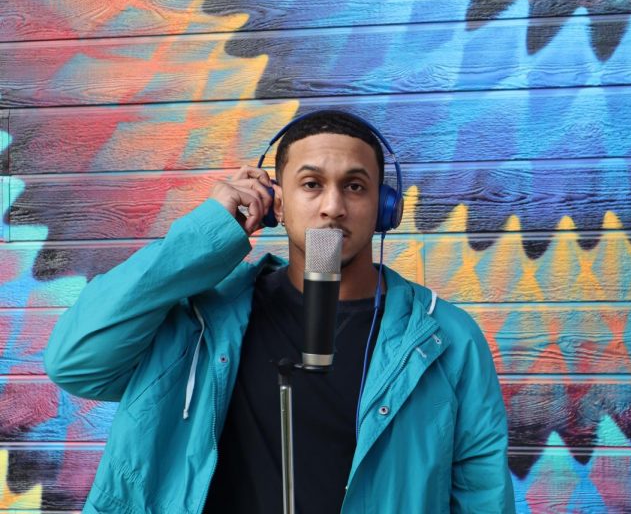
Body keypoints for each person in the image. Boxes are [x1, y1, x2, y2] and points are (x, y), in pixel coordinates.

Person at [44, 110, 515, 513]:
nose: (333, 207)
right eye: (311, 184)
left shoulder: (446, 339)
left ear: (384, 208)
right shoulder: (198, 319)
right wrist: (206, 235)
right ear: (277, 203)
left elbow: (481, 495)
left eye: (354, 186)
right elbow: (75, 364)